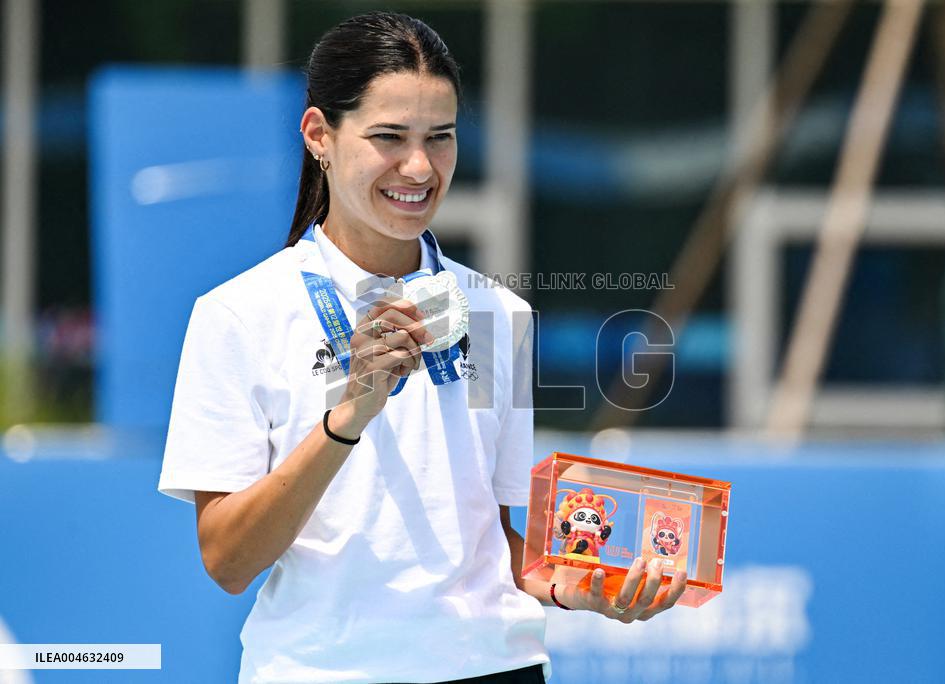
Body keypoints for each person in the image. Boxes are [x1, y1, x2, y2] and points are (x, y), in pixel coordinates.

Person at [157, 12, 686, 684]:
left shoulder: (499, 313)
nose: (419, 166)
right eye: (389, 137)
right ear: (320, 135)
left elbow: (486, 537)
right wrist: (346, 419)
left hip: (495, 669)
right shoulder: (237, 315)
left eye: (440, 138)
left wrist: (575, 585)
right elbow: (228, 561)